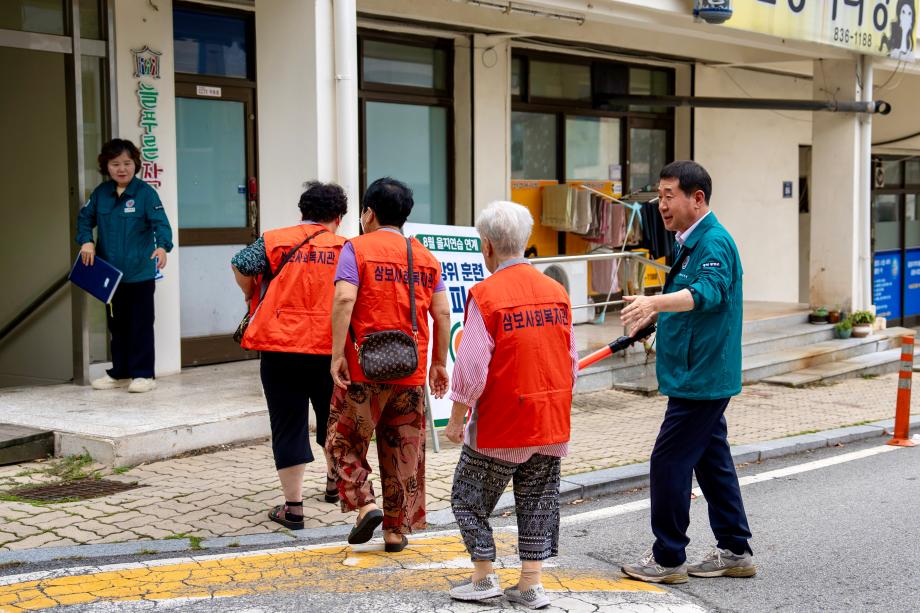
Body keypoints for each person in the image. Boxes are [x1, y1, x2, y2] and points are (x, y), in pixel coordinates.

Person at [619, 160, 754, 584]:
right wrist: (653, 320)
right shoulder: (689, 241)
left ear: (697, 198)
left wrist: (653, 304)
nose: (661, 205)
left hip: (703, 377)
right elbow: (690, 300)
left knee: (669, 460)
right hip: (698, 373)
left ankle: (668, 557)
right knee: (712, 462)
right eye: (659, 197)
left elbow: (705, 294)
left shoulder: (714, 243)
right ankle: (735, 549)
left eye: (668, 196)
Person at [444, 201, 578, 609]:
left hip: (502, 424)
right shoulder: (556, 292)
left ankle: (484, 577)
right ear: (525, 242)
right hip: (550, 420)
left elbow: (471, 367)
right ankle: (531, 585)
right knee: (538, 499)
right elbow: (571, 362)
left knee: (467, 498)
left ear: (486, 247)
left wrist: (456, 419)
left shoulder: (485, 295)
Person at [326, 177, 451, 552]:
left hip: (364, 371)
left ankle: (365, 504)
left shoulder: (356, 249)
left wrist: (336, 355)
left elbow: (344, 300)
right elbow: (442, 312)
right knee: (404, 452)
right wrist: (439, 364)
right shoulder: (426, 257)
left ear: (369, 213)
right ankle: (396, 532)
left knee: (341, 439)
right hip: (410, 372)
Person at [231, 181, 347, 530]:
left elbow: (239, 264)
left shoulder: (275, 239)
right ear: (339, 218)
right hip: (331, 350)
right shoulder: (348, 248)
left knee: (287, 423)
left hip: (279, 345)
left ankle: (293, 508)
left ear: (302, 213)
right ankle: (333, 485)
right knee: (333, 418)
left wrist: (252, 294)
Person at [76, 138, 172, 394]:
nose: (122, 168)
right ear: (106, 166)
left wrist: (163, 246)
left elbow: (161, 224)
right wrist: (86, 242)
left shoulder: (145, 194)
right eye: (115, 163)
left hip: (140, 272)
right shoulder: (100, 194)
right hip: (111, 275)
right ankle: (120, 372)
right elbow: (85, 220)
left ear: (135, 164)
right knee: (116, 325)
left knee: (140, 323)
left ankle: (143, 375)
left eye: (127, 163)